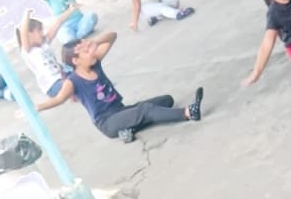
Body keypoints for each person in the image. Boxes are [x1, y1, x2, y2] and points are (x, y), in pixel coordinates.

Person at [36, 32, 203, 143]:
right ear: (75, 60)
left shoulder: (95, 63)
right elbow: (59, 99)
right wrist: (38, 107)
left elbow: (112, 36)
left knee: (166, 100)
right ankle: (188, 113)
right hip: (107, 122)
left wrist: (94, 42)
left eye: (90, 49)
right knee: (145, 110)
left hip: (121, 110)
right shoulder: (73, 81)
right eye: (86, 52)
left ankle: (128, 129)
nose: (91, 52)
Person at [15, 7, 76, 99]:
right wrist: (27, 14)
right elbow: (23, 32)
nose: (42, 33)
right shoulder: (28, 51)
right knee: (74, 83)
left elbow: (57, 23)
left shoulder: (44, 43)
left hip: (63, 75)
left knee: (84, 72)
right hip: (52, 85)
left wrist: (71, 10)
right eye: (39, 30)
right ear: (29, 35)